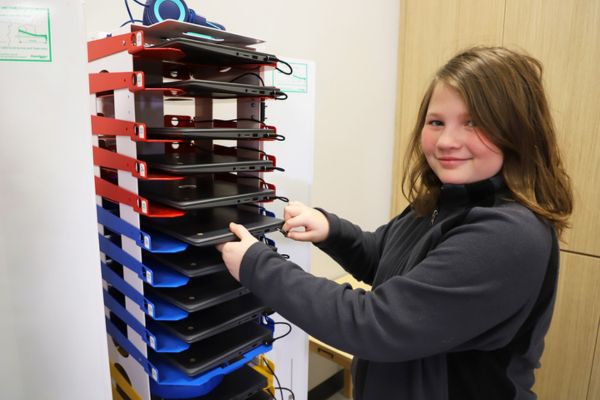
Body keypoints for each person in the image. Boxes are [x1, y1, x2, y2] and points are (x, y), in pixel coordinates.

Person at [216, 47, 573, 400]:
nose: (447, 141)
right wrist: (330, 229)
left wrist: (257, 265)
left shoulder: (508, 235)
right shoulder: (446, 200)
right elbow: (383, 257)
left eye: (474, 122)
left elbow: (373, 324)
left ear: (518, 131)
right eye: (436, 122)